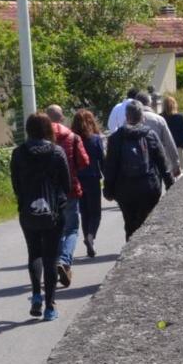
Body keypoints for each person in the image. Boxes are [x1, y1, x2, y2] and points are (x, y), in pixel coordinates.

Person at [10, 113, 70, 321]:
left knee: (34, 253)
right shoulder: (57, 152)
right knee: (50, 258)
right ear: (48, 129)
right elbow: (66, 184)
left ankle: (36, 294)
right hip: (54, 212)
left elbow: (15, 184)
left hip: (28, 211)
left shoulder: (18, 153)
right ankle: (50, 306)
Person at [103, 100, 173, 239]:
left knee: (130, 223)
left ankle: (130, 247)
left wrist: (108, 190)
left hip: (124, 190)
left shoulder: (115, 138)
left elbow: (110, 166)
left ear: (127, 117)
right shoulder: (150, 134)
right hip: (149, 187)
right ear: (143, 117)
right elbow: (162, 162)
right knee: (146, 222)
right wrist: (170, 184)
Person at [45, 105, 90, 287]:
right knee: (71, 228)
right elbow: (84, 161)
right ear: (62, 118)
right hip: (70, 188)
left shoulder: (42, 139)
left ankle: (56, 261)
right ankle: (64, 260)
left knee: (55, 230)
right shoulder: (73, 137)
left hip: (47, 192)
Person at [72, 109, 105, 258]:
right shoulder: (96, 139)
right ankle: (90, 237)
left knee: (84, 213)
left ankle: (88, 241)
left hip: (78, 179)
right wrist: (108, 178)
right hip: (92, 178)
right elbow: (102, 161)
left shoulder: (72, 139)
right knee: (96, 213)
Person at [135, 92, 182, 177]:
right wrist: (176, 164)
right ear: (149, 103)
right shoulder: (159, 119)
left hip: (135, 165)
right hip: (156, 164)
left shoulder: (128, 120)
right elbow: (169, 143)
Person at [161, 94, 183, 171]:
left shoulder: (160, 117)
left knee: (168, 171)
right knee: (178, 172)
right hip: (177, 147)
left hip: (165, 148)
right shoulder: (180, 117)